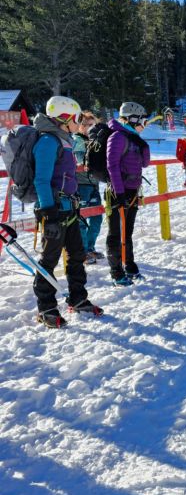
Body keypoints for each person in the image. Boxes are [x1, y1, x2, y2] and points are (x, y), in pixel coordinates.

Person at [32, 96, 102, 327]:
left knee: (77, 254)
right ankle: (46, 308)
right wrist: (49, 213)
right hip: (54, 210)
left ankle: (78, 298)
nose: (79, 123)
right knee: (49, 259)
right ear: (64, 118)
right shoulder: (48, 142)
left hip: (70, 209)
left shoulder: (64, 141)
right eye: (76, 118)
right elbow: (41, 180)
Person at [106, 102, 151, 286]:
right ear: (133, 119)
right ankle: (116, 271)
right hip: (118, 191)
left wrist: (143, 145)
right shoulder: (117, 137)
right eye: (143, 121)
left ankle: (129, 264)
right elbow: (112, 166)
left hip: (132, 191)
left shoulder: (133, 138)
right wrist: (119, 193)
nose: (145, 125)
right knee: (116, 232)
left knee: (128, 232)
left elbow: (145, 163)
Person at [72, 111, 104, 265]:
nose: (90, 128)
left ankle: (90, 247)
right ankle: (83, 251)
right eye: (87, 125)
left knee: (97, 218)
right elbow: (80, 160)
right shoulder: (77, 140)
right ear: (81, 126)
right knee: (82, 219)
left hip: (94, 184)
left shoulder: (95, 140)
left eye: (93, 125)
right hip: (81, 185)